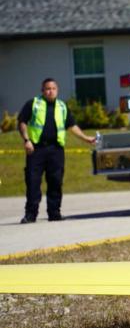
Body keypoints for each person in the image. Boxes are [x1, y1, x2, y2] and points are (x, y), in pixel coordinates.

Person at [18, 78, 97, 223]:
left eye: (53, 88)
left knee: (55, 181)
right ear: (42, 90)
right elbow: (22, 121)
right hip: (36, 149)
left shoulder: (62, 106)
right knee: (33, 182)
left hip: (56, 150)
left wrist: (86, 138)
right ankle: (30, 214)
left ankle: (54, 213)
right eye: (47, 88)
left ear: (57, 90)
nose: (50, 91)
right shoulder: (33, 104)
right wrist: (26, 140)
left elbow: (71, 125)